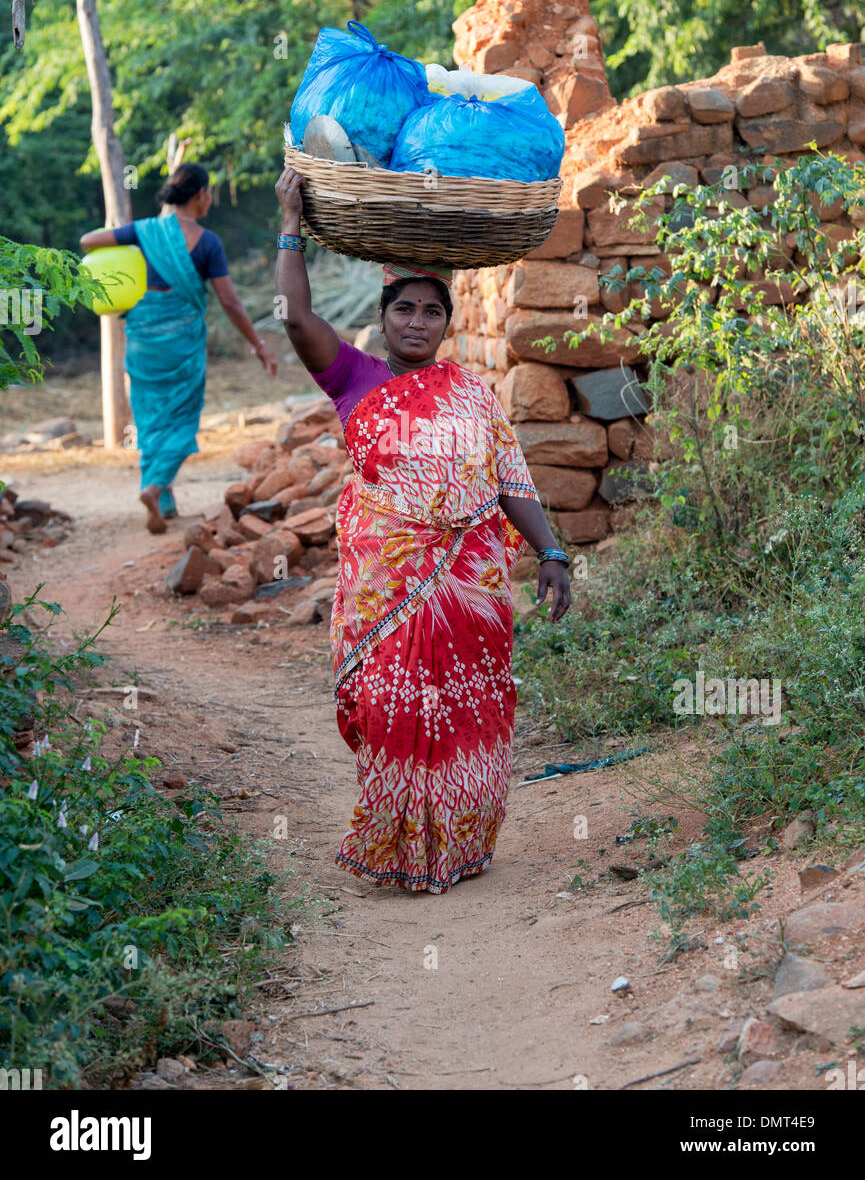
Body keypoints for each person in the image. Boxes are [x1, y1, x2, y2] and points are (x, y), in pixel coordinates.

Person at [274, 166, 571, 893]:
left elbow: (508, 480)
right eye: (402, 309)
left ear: (448, 322)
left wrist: (551, 552)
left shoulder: (472, 393)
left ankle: (460, 842)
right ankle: (399, 843)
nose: (415, 321)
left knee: (470, 708)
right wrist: (290, 224)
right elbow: (290, 314)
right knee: (391, 707)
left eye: (430, 311)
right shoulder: (352, 379)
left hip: (471, 592)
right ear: (383, 317)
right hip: (389, 589)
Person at [80, 162, 278, 533]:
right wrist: (259, 345)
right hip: (182, 342)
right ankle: (155, 489)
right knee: (182, 418)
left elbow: (88, 241)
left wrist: (130, 260)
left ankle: (161, 496)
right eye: (210, 192)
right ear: (201, 194)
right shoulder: (207, 242)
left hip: (141, 336)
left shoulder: (144, 231)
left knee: (151, 416)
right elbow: (231, 303)